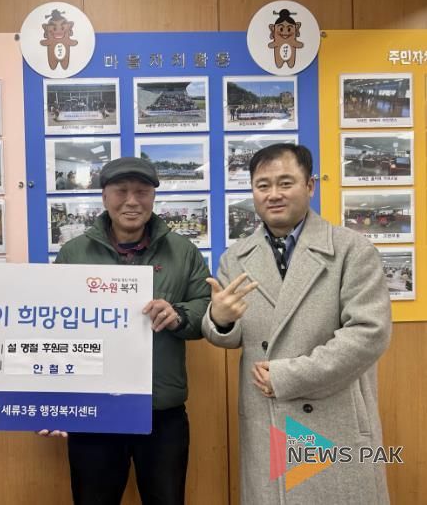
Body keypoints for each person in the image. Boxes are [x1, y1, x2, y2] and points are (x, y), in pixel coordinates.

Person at [201, 144, 391, 504]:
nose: (273, 194)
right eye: (262, 185)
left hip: (333, 415)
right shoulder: (235, 257)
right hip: (267, 422)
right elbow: (230, 337)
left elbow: (369, 334)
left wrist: (288, 376)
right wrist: (219, 320)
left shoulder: (351, 249)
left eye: (285, 183)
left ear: (310, 186)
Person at [43, 157, 211, 505]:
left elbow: (206, 308)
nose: (132, 201)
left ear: (153, 197)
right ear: (104, 197)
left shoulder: (183, 252)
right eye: (121, 191)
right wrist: (55, 402)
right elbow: (54, 327)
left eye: (142, 192)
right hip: (93, 410)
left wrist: (178, 315)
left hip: (161, 410)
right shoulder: (74, 253)